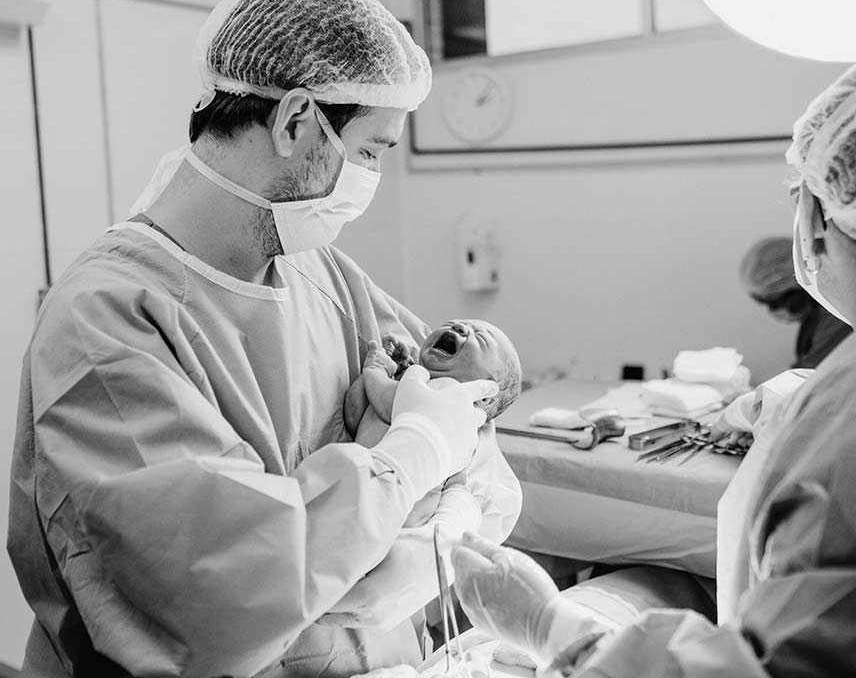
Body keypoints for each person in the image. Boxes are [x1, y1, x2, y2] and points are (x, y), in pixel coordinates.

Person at [6, 0, 505, 678]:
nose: (371, 177)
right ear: (296, 119)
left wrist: (426, 533)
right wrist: (412, 459)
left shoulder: (323, 275)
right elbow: (225, 593)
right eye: (370, 151)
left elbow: (477, 429)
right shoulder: (107, 319)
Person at [449, 64, 856, 677]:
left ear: (827, 218)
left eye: (801, 199)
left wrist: (560, 632)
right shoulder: (832, 403)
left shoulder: (839, 417)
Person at [342, 320, 522, 530]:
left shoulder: (450, 395)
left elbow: (389, 401)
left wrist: (375, 370)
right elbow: (359, 412)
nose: (459, 329)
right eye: (451, 324)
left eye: (479, 338)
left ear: (484, 394)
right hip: (400, 508)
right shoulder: (430, 399)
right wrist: (401, 370)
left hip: (392, 505)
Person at [739, 235, 851, 368]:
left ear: (797, 283)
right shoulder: (814, 320)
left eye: (775, 303)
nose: (774, 311)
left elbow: (815, 371)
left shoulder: (839, 313)